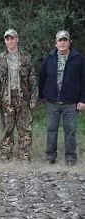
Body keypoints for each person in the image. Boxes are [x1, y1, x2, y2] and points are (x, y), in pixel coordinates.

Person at [0, 29, 38, 162]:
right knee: (7, 127)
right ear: (5, 41)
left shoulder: (26, 58)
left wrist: (34, 98)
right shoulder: (0, 59)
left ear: (17, 39)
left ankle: (24, 155)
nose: (10, 41)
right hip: (6, 98)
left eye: (12, 38)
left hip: (23, 97)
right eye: (7, 39)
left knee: (25, 127)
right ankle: (5, 154)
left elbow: (32, 79)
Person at [39, 30, 85, 166]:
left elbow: (83, 80)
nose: (63, 42)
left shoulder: (79, 59)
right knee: (51, 130)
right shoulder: (49, 58)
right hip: (52, 101)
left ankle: (70, 157)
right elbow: (42, 78)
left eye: (65, 40)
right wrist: (42, 96)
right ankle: (50, 156)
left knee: (70, 130)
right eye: (60, 40)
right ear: (56, 43)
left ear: (69, 42)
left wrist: (83, 99)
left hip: (71, 102)